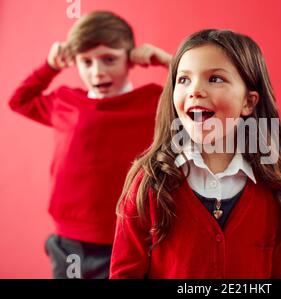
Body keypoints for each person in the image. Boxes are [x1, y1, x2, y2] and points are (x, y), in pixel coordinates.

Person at [109, 29, 281, 279]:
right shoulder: (149, 182)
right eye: (184, 80)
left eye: (215, 79)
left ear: (248, 103)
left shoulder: (275, 192)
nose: (195, 90)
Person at [8, 11, 171, 278]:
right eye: (86, 62)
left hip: (129, 238)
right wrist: (50, 66)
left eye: (109, 59)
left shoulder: (153, 102)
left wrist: (168, 62)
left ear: (130, 58)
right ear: (75, 63)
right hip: (69, 242)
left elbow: (194, 103)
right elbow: (19, 100)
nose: (98, 72)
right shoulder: (65, 101)